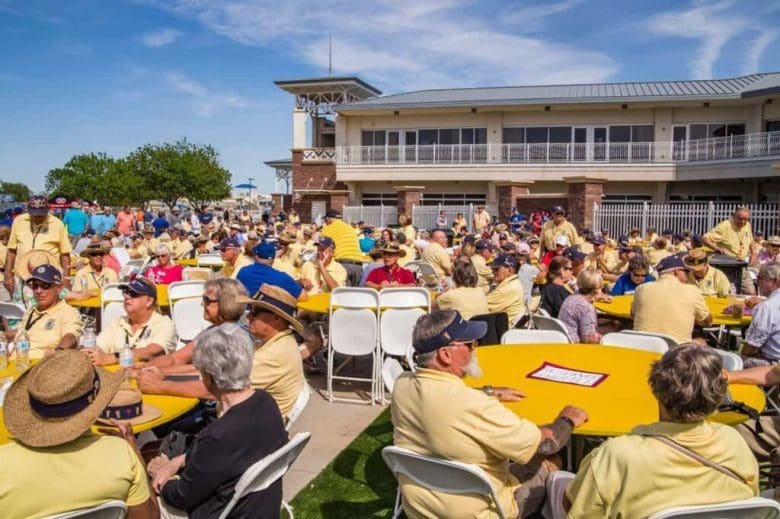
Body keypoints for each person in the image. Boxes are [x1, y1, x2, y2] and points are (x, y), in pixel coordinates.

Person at [392, 310, 589, 518]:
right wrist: (567, 419)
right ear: (446, 354)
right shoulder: (475, 406)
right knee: (550, 461)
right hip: (482, 511)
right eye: (469, 345)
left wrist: (488, 391)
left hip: (419, 506)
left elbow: (442, 399)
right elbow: (545, 443)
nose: (475, 349)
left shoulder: (402, 385)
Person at [564, 344, 759, 517]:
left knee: (557, 481)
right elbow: (751, 499)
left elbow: (577, 509)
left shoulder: (617, 455)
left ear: (656, 388)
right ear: (718, 396)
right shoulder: (734, 441)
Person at [0, 350, 159, 518]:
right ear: (96, 403)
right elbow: (150, 516)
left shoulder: (4, 463)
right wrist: (136, 453)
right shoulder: (121, 454)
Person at [151, 326, 286, 518]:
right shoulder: (265, 403)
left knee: (143, 500)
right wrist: (176, 461)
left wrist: (162, 480)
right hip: (257, 508)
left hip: (219, 512)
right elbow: (222, 457)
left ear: (208, 377)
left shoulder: (218, 435)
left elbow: (181, 496)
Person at [135, 279, 250, 399]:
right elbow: (176, 359)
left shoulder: (236, 339)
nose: (202, 304)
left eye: (207, 300)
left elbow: (219, 389)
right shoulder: (213, 331)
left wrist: (160, 384)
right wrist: (145, 369)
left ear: (225, 304)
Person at [238, 284, 306, 420]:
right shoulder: (280, 341)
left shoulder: (274, 354)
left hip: (248, 429)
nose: (249, 316)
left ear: (276, 318)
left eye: (255, 311)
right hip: (258, 420)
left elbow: (222, 386)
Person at [88, 276, 176, 364]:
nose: (127, 296)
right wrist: (92, 353)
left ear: (149, 301)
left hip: (146, 376)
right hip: (115, 375)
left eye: (133, 293)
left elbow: (152, 352)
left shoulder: (164, 324)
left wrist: (111, 358)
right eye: (125, 292)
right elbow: (99, 346)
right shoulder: (117, 322)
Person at [5, 264, 82, 358]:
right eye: (35, 286)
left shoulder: (68, 312)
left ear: (59, 288)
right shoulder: (32, 310)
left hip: (39, 366)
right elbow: (22, 331)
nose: (38, 291)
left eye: (45, 286)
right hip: (15, 362)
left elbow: (71, 337)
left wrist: (57, 353)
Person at [632, 255, 712, 344]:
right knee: (701, 342)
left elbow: (633, 314)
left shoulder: (641, 289)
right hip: (675, 351)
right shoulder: (692, 291)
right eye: (686, 271)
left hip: (641, 345)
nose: (687, 275)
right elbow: (707, 321)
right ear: (677, 272)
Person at [4, 195, 72, 297]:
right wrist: (8, 274)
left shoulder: (57, 224)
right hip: (22, 278)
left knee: (48, 310)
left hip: (49, 279)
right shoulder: (18, 221)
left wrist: (66, 279)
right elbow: (11, 250)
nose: (37, 217)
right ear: (28, 210)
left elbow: (65, 253)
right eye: (34, 214)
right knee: (22, 309)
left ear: (47, 210)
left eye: (40, 215)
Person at [701, 207, 755, 294]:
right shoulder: (724, 226)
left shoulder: (747, 225)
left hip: (741, 265)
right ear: (734, 216)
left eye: (746, 219)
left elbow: (750, 239)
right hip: (727, 266)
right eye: (740, 219)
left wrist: (753, 252)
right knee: (729, 292)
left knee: (751, 292)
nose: (743, 222)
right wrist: (718, 248)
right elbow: (705, 238)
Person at [739, 262, 780, 367]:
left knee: (730, 362)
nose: (757, 282)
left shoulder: (766, 308)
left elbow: (751, 348)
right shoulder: (768, 305)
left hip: (772, 364)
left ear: (775, 281)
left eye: (760, 278)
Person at [237, 241, 306, 299]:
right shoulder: (282, 278)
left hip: (246, 313)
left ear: (256, 256)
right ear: (273, 258)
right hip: (271, 313)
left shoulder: (243, 271)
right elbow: (303, 297)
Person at [321, 209, 364, 286]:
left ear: (329, 219)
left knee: (342, 296)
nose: (325, 222)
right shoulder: (351, 228)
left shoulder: (327, 229)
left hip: (343, 266)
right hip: (358, 267)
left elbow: (322, 248)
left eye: (325, 220)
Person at [558, 270, 604, 343]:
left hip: (564, 339)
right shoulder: (586, 307)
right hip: (577, 345)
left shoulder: (571, 297)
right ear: (597, 289)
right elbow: (588, 339)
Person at [486, 253, 526, 325]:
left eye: (496, 269)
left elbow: (482, 306)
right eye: (493, 269)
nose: (492, 272)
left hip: (504, 331)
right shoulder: (513, 282)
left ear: (510, 270)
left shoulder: (508, 288)